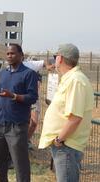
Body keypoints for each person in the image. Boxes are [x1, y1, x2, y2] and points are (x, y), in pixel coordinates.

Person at [39, 43, 94, 182]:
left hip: (66, 146)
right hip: (65, 145)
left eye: (55, 56)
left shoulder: (75, 81)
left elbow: (75, 117)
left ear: (60, 58)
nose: (54, 60)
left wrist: (59, 139)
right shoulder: (71, 78)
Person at [0, 44, 38, 182]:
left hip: (16, 126)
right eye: (8, 54)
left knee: (20, 162)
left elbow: (32, 97)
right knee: (0, 159)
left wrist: (14, 96)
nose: (9, 56)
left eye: (13, 53)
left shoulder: (29, 74)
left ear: (21, 55)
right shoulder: (3, 73)